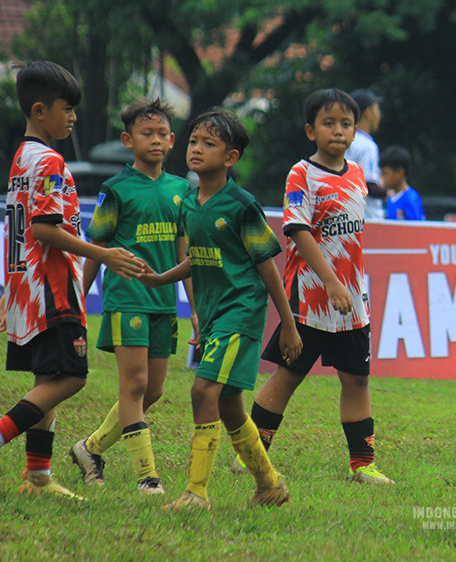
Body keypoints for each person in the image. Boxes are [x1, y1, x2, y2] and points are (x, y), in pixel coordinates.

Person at [139, 108, 302, 510]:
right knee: (228, 403)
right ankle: (269, 484)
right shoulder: (190, 202)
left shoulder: (242, 205)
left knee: (202, 390)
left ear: (231, 157)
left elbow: (267, 266)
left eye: (208, 143)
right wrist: (163, 278)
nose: (196, 149)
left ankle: (196, 493)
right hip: (214, 314)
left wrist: (288, 323)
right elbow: (201, 256)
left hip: (240, 311)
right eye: (193, 140)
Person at [1, 61, 145, 499]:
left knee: (47, 376)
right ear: (40, 110)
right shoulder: (48, 160)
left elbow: (17, 231)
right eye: (67, 109)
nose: (74, 117)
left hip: (29, 286)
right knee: (70, 378)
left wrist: (9, 288)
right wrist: (105, 254)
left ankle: (39, 476)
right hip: (53, 287)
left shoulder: (21, 157)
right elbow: (45, 229)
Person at [241, 88, 395, 485]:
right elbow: (296, 228)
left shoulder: (358, 175)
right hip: (310, 297)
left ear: (355, 131)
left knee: (356, 379)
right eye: (329, 123)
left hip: (352, 300)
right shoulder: (302, 174)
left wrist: (346, 286)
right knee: (289, 375)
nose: (338, 131)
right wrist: (329, 281)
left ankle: (362, 466)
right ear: (311, 130)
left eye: (346, 124)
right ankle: (252, 455)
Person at [68, 99, 194, 495]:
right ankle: (147, 478)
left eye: (162, 134)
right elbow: (98, 244)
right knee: (135, 386)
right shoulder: (115, 189)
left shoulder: (180, 190)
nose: (155, 140)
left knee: (153, 391)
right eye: (146, 133)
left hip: (163, 304)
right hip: (126, 298)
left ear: (172, 140)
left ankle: (89, 449)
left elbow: (184, 254)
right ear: (128, 140)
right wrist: (79, 299)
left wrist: (198, 309)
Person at [345, 88, 386, 220]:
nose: (379, 114)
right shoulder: (367, 146)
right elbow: (369, 186)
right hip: (367, 218)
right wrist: (387, 191)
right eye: (377, 109)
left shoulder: (342, 140)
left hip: (344, 216)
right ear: (368, 112)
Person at [380, 145, 425, 221]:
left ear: (399, 172)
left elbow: (418, 229)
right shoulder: (390, 199)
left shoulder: (411, 198)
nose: (382, 178)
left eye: (385, 173)